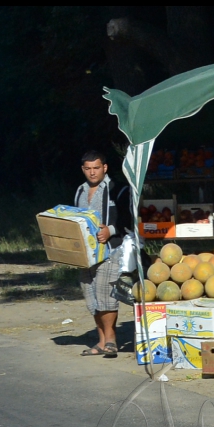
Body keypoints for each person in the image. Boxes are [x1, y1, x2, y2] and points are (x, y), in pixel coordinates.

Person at [75, 150, 132, 358]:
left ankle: (111, 340)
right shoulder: (80, 191)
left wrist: (111, 230)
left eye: (96, 168)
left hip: (110, 251)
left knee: (105, 295)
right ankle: (100, 341)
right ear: (83, 169)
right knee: (91, 298)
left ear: (105, 168)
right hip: (85, 255)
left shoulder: (117, 189)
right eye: (88, 169)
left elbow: (128, 219)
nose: (92, 173)